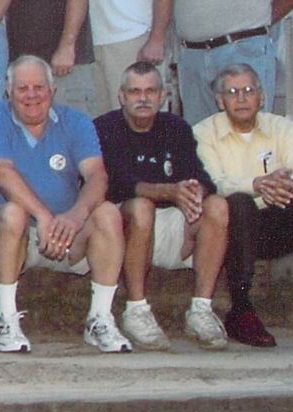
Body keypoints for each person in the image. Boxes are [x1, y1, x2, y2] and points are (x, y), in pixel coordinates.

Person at [0, 55, 132, 354]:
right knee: (13, 213)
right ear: (8, 91)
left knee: (108, 213)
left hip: (65, 233)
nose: (32, 95)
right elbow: (1, 171)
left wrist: (76, 216)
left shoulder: (76, 121)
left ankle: (100, 318)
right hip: (17, 234)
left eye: (39, 87)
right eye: (22, 88)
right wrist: (43, 216)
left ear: (53, 90)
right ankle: (5, 318)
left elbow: (97, 175)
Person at [193, 63, 293, 348]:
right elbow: (215, 182)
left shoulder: (281, 127)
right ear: (219, 100)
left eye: (249, 90)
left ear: (261, 97)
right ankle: (241, 309)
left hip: (276, 223)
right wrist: (258, 184)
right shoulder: (204, 132)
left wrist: (291, 186)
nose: (241, 98)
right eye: (232, 92)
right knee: (239, 202)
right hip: (232, 231)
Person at [95, 61, 231, 351]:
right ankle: (136, 310)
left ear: (163, 95)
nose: (143, 98)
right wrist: (167, 190)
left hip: (170, 225)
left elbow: (201, 176)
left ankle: (201, 310)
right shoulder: (105, 127)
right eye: (134, 91)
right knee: (141, 206)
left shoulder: (176, 127)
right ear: (121, 95)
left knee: (217, 205)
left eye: (150, 91)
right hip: (123, 229)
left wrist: (195, 191)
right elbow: (112, 184)